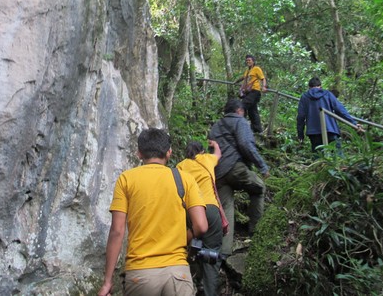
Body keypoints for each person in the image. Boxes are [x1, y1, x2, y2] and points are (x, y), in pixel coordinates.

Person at [98, 128, 209, 296]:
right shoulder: (185, 178)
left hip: (140, 274)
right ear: (169, 152)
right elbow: (201, 226)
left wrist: (107, 281)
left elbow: (117, 231)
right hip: (178, 274)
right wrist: (186, 235)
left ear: (139, 153)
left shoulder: (126, 179)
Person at [209, 99, 270, 261]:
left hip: (218, 172)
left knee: (226, 207)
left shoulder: (215, 126)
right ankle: (256, 231)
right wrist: (262, 166)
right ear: (239, 110)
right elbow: (245, 143)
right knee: (259, 188)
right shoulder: (240, 121)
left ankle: (224, 251)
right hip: (236, 168)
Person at [177, 140, 227, 296]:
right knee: (210, 255)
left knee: (190, 249)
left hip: (191, 211)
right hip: (211, 210)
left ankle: (194, 285)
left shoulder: (180, 166)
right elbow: (218, 155)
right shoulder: (206, 159)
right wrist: (215, 145)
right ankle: (209, 290)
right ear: (201, 151)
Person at [297, 77, 362, 155]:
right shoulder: (327, 94)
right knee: (337, 156)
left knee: (319, 157)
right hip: (330, 129)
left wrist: (300, 134)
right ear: (320, 86)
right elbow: (340, 110)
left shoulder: (304, 97)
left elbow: (301, 116)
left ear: (309, 87)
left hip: (313, 131)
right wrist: (353, 123)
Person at [234, 54, 267, 133]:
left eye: (249, 60)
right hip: (248, 92)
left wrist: (264, 86)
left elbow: (263, 78)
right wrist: (236, 81)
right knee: (253, 111)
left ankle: (241, 126)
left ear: (253, 61)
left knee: (243, 105)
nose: (248, 62)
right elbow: (244, 77)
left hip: (255, 91)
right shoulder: (247, 70)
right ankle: (257, 130)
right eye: (247, 60)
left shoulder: (257, 69)